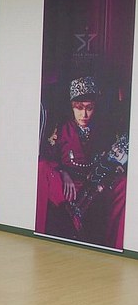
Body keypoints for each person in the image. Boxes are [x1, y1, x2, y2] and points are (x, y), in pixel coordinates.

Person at [36, 76, 127, 248]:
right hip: (66, 186)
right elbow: (47, 157)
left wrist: (114, 170)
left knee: (123, 183)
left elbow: (110, 160)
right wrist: (63, 172)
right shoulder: (61, 129)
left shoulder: (103, 130)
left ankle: (115, 245)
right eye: (78, 108)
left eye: (89, 108)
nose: (84, 115)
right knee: (43, 168)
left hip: (95, 185)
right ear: (72, 106)